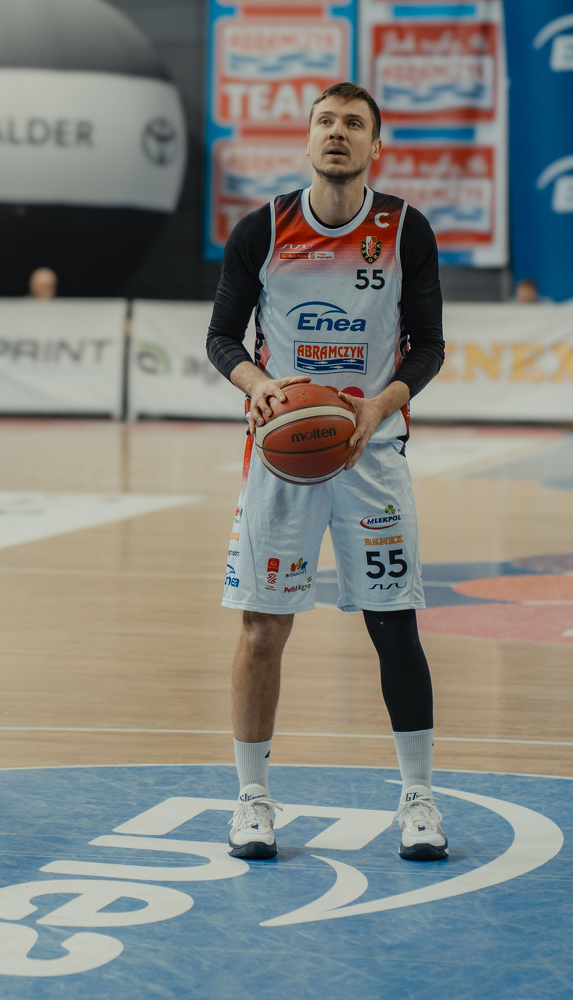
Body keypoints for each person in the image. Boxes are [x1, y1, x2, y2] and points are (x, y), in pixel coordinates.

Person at [204, 82, 448, 862]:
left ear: (375, 145)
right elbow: (221, 338)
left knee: (394, 625)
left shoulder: (405, 229)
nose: (336, 133)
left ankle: (418, 798)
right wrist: (256, 385)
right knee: (261, 627)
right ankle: (252, 799)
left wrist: (381, 406)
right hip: (282, 456)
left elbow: (430, 346)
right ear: (307, 138)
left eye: (352, 124)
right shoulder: (262, 229)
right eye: (325, 122)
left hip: (371, 453)